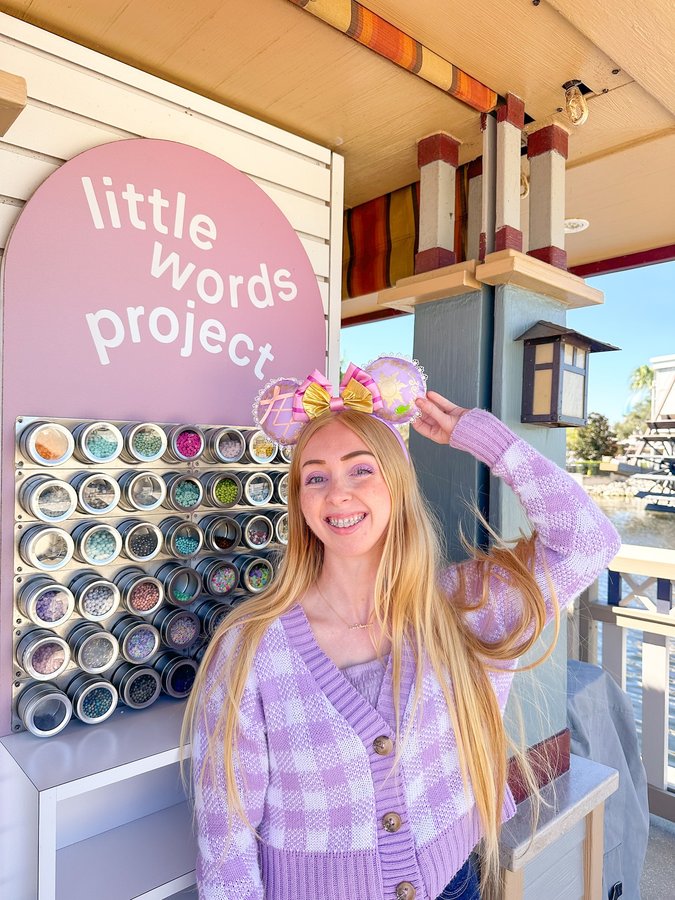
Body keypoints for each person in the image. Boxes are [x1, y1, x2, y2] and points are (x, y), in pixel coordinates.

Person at [184, 367, 620, 900]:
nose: (337, 494)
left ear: (398, 484)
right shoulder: (251, 646)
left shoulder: (464, 608)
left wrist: (486, 439)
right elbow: (225, 835)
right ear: (300, 502)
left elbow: (589, 542)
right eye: (315, 478)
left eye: (361, 469)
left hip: (453, 884)